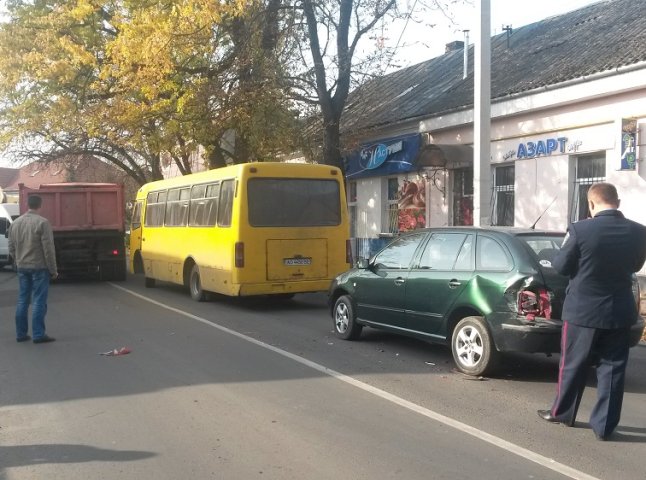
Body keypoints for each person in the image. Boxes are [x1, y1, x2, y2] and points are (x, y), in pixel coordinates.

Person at [537, 182, 646, 440]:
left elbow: (562, 267)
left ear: (591, 204)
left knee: (572, 365)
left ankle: (563, 413)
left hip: (582, 313)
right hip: (619, 312)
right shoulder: (640, 232)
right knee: (613, 369)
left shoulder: (579, 229)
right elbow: (636, 264)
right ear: (617, 203)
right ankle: (605, 426)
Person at [8, 194, 58, 344]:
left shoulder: (15, 223)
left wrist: (18, 260)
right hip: (39, 267)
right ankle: (38, 334)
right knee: (38, 301)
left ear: (27, 205)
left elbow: (11, 246)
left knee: (23, 300)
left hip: (22, 266)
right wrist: (53, 269)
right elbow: (48, 249)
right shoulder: (43, 223)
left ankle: (21, 334)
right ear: (40, 205)